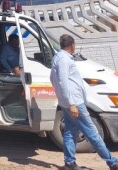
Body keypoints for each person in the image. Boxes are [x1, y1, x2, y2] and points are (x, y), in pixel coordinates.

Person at [50, 33, 118, 170]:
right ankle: (112, 162)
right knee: (93, 133)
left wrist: (65, 100)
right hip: (74, 103)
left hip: (68, 103)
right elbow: (62, 82)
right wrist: (71, 103)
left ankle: (69, 163)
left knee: (70, 132)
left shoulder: (58, 57)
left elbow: (53, 79)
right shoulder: (64, 60)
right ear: (72, 45)